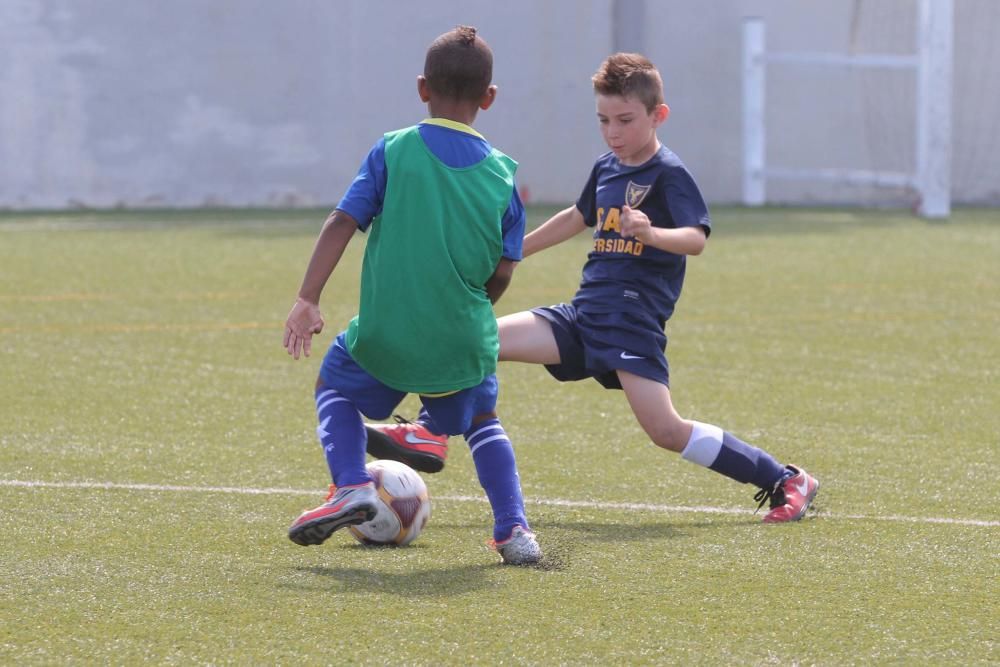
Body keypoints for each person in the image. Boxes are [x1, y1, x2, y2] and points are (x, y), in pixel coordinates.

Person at [365, 52, 819, 523]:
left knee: (666, 430)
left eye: (625, 120)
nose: (612, 132)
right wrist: (514, 251)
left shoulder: (668, 173)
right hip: (584, 315)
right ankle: (427, 430)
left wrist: (652, 234)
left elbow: (696, 238)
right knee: (478, 339)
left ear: (657, 115)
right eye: (603, 120)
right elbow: (576, 217)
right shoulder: (607, 167)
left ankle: (784, 479)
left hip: (630, 323)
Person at [282, 25, 541, 564]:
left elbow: (341, 221)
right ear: (488, 99)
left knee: (335, 387)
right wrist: (461, 309)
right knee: (483, 425)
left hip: (386, 334)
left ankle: (352, 485)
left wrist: (308, 297)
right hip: (462, 338)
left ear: (423, 88)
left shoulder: (393, 150)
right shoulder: (504, 178)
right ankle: (513, 532)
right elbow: (504, 273)